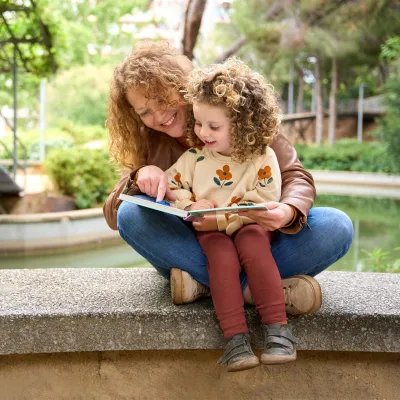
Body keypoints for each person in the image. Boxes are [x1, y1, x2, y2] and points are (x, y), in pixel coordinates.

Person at [103, 40, 353, 315]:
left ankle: (205, 286)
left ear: (182, 86)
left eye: (162, 100)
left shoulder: (244, 114)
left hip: (257, 238)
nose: (159, 116)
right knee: (130, 214)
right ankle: (256, 291)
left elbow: (296, 176)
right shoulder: (148, 140)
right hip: (199, 245)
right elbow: (114, 216)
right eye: (144, 112)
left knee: (336, 225)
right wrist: (139, 176)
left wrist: (288, 210)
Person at [164, 58, 297, 372]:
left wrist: (222, 218)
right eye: (198, 123)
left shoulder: (261, 157)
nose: (202, 132)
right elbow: (173, 187)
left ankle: (278, 331)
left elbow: (262, 201)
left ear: (242, 123)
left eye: (214, 126)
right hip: (210, 232)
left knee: (251, 243)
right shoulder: (194, 158)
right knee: (222, 256)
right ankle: (236, 340)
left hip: (251, 226)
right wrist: (189, 206)